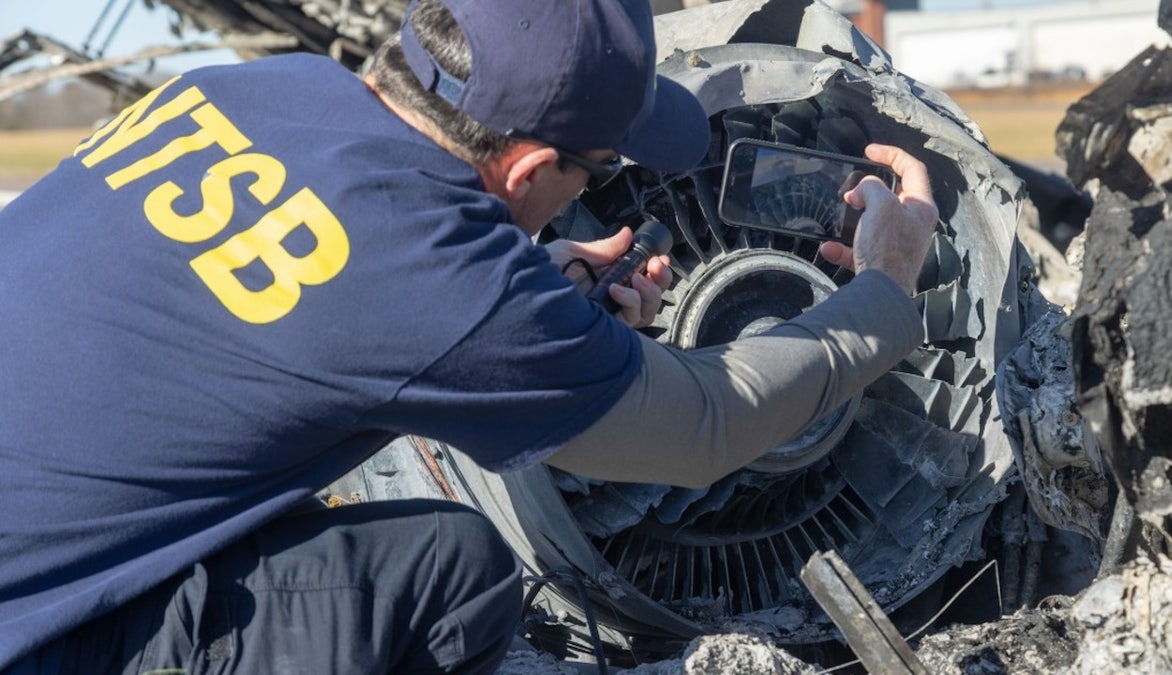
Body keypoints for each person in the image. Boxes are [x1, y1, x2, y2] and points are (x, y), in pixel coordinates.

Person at [0, 0, 937, 672]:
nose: (591, 189)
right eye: (596, 169)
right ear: (531, 165)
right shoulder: (441, 288)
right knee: (452, 574)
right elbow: (708, 422)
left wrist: (528, 296)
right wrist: (888, 288)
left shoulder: (249, 91)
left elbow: (318, 283)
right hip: (33, 634)